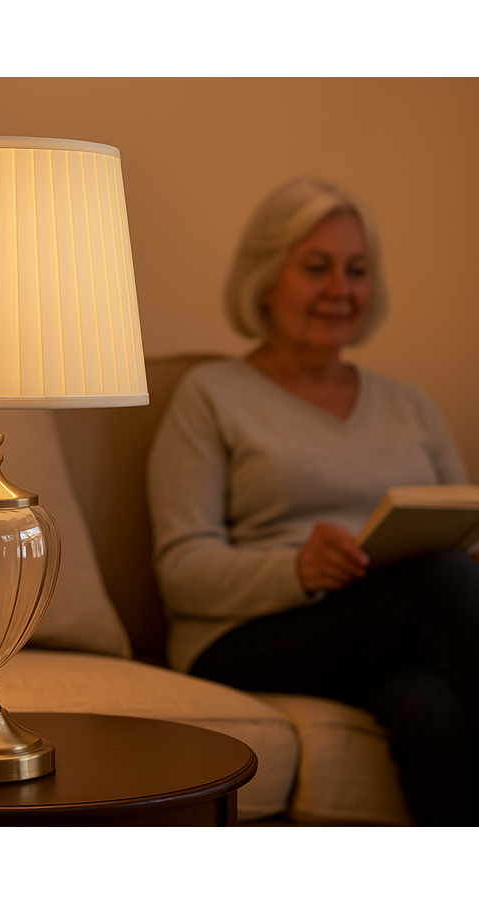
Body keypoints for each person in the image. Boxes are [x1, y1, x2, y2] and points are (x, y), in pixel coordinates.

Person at [147, 176, 479, 826]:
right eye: (316, 267)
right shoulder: (211, 395)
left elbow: (464, 528)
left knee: (429, 703)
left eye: (357, 270)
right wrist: (296, 569)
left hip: (389, 628)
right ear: (265, 280)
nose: (340, 289)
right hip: (251, 636)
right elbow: (182, 571)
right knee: (440, 581)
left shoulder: (410, 404)